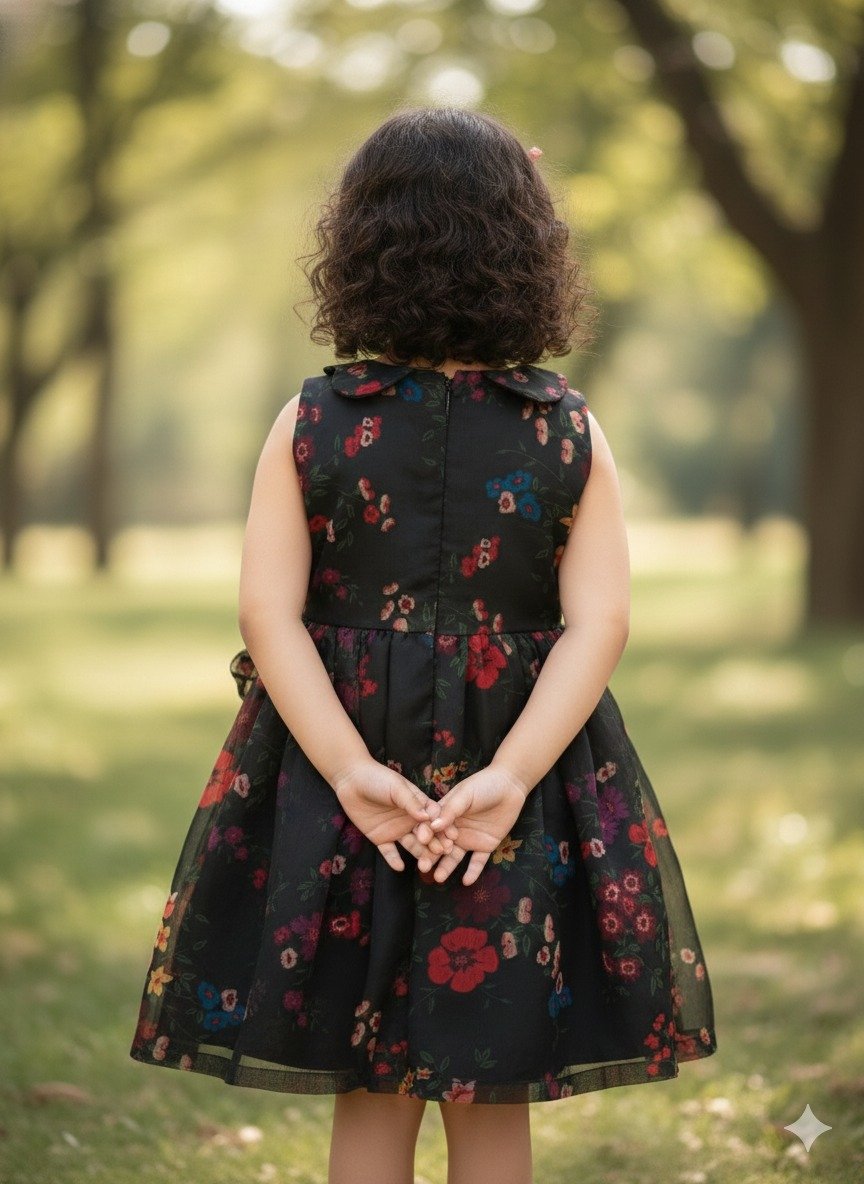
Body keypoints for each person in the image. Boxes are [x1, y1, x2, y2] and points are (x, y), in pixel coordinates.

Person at [129, 105, 717, 1184]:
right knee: (492, 1084)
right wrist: (509, 774)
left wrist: (351, 770)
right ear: (527, 251)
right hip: (519, 772)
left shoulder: (309, 420)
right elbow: (603, 619)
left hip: (341, 767)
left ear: (358, 246)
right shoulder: (568, 429)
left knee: (370, 1081)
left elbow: (269, 614)